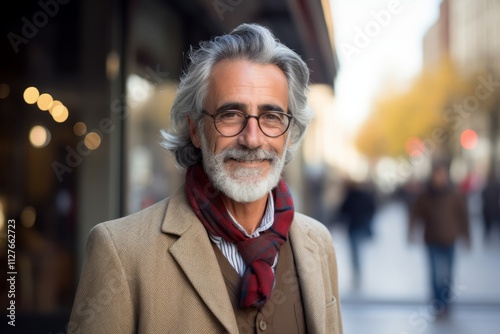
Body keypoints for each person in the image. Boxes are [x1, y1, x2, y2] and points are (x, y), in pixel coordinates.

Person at [68, 23, 343, 333]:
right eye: (231, 114)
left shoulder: (318, 244)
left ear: (289, 133)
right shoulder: (121, 251)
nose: (252, 139)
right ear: (196, 129)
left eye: (271, 117)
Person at [408, 163, 470, 320]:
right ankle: (437, 303)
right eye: (437, 175)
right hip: (432, 240)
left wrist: (466, 236)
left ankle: (446, 303)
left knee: (448, 274)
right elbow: (415, 214)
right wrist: (411, 233)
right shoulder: (425, 195)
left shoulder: (453, 195)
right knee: (435, 274)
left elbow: (463, 216)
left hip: (450, 239)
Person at [337, 178, 376, 289]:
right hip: (361, 226)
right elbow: (372, 209)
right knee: (358, 250)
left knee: (355, 251)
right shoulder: (365, 196)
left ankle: (356, 272)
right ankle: (358, 272)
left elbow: (342, 211)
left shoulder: (350, 197)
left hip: (354, 227)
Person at [481, 169, 500, 242]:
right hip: (488, 210)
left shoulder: (496, 187)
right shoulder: (487, 188)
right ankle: (487, 237)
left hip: (493, 209)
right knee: (487, 226)